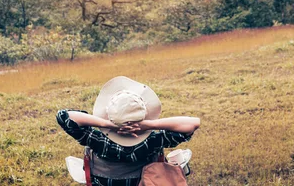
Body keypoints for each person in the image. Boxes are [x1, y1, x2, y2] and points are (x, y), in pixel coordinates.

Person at [57, 76, 201, 186]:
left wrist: (108, 124)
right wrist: (150, 125)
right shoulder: (152, 142)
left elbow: (64, 116)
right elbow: (193, 123)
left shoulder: (98, 141)